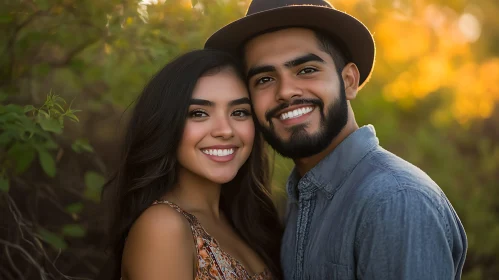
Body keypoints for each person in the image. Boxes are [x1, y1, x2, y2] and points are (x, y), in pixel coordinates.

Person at [205, 0, 468, 279]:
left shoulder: (394, 201)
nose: (285, 91)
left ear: (349, 81)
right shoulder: (299, 200)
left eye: (306, 70)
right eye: (265, 79)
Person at [105, 49, 283, 280]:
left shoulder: (246, 220)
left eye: (239, 112)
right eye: (199, 113)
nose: (225, 130)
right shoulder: (163, 227)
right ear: (166, 125)